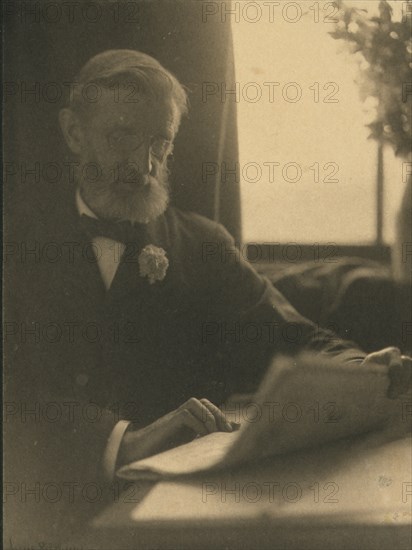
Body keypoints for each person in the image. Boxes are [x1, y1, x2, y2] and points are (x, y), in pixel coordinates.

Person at [5, 49, 411, 545]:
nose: (144, 165)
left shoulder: (202, 245)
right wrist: (123, 441)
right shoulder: (16, 247)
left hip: (173, 516)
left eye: (161, 143)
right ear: (73, 132)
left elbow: (287, 335)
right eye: (121, 137)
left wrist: (364, 371)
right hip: (39, 510)